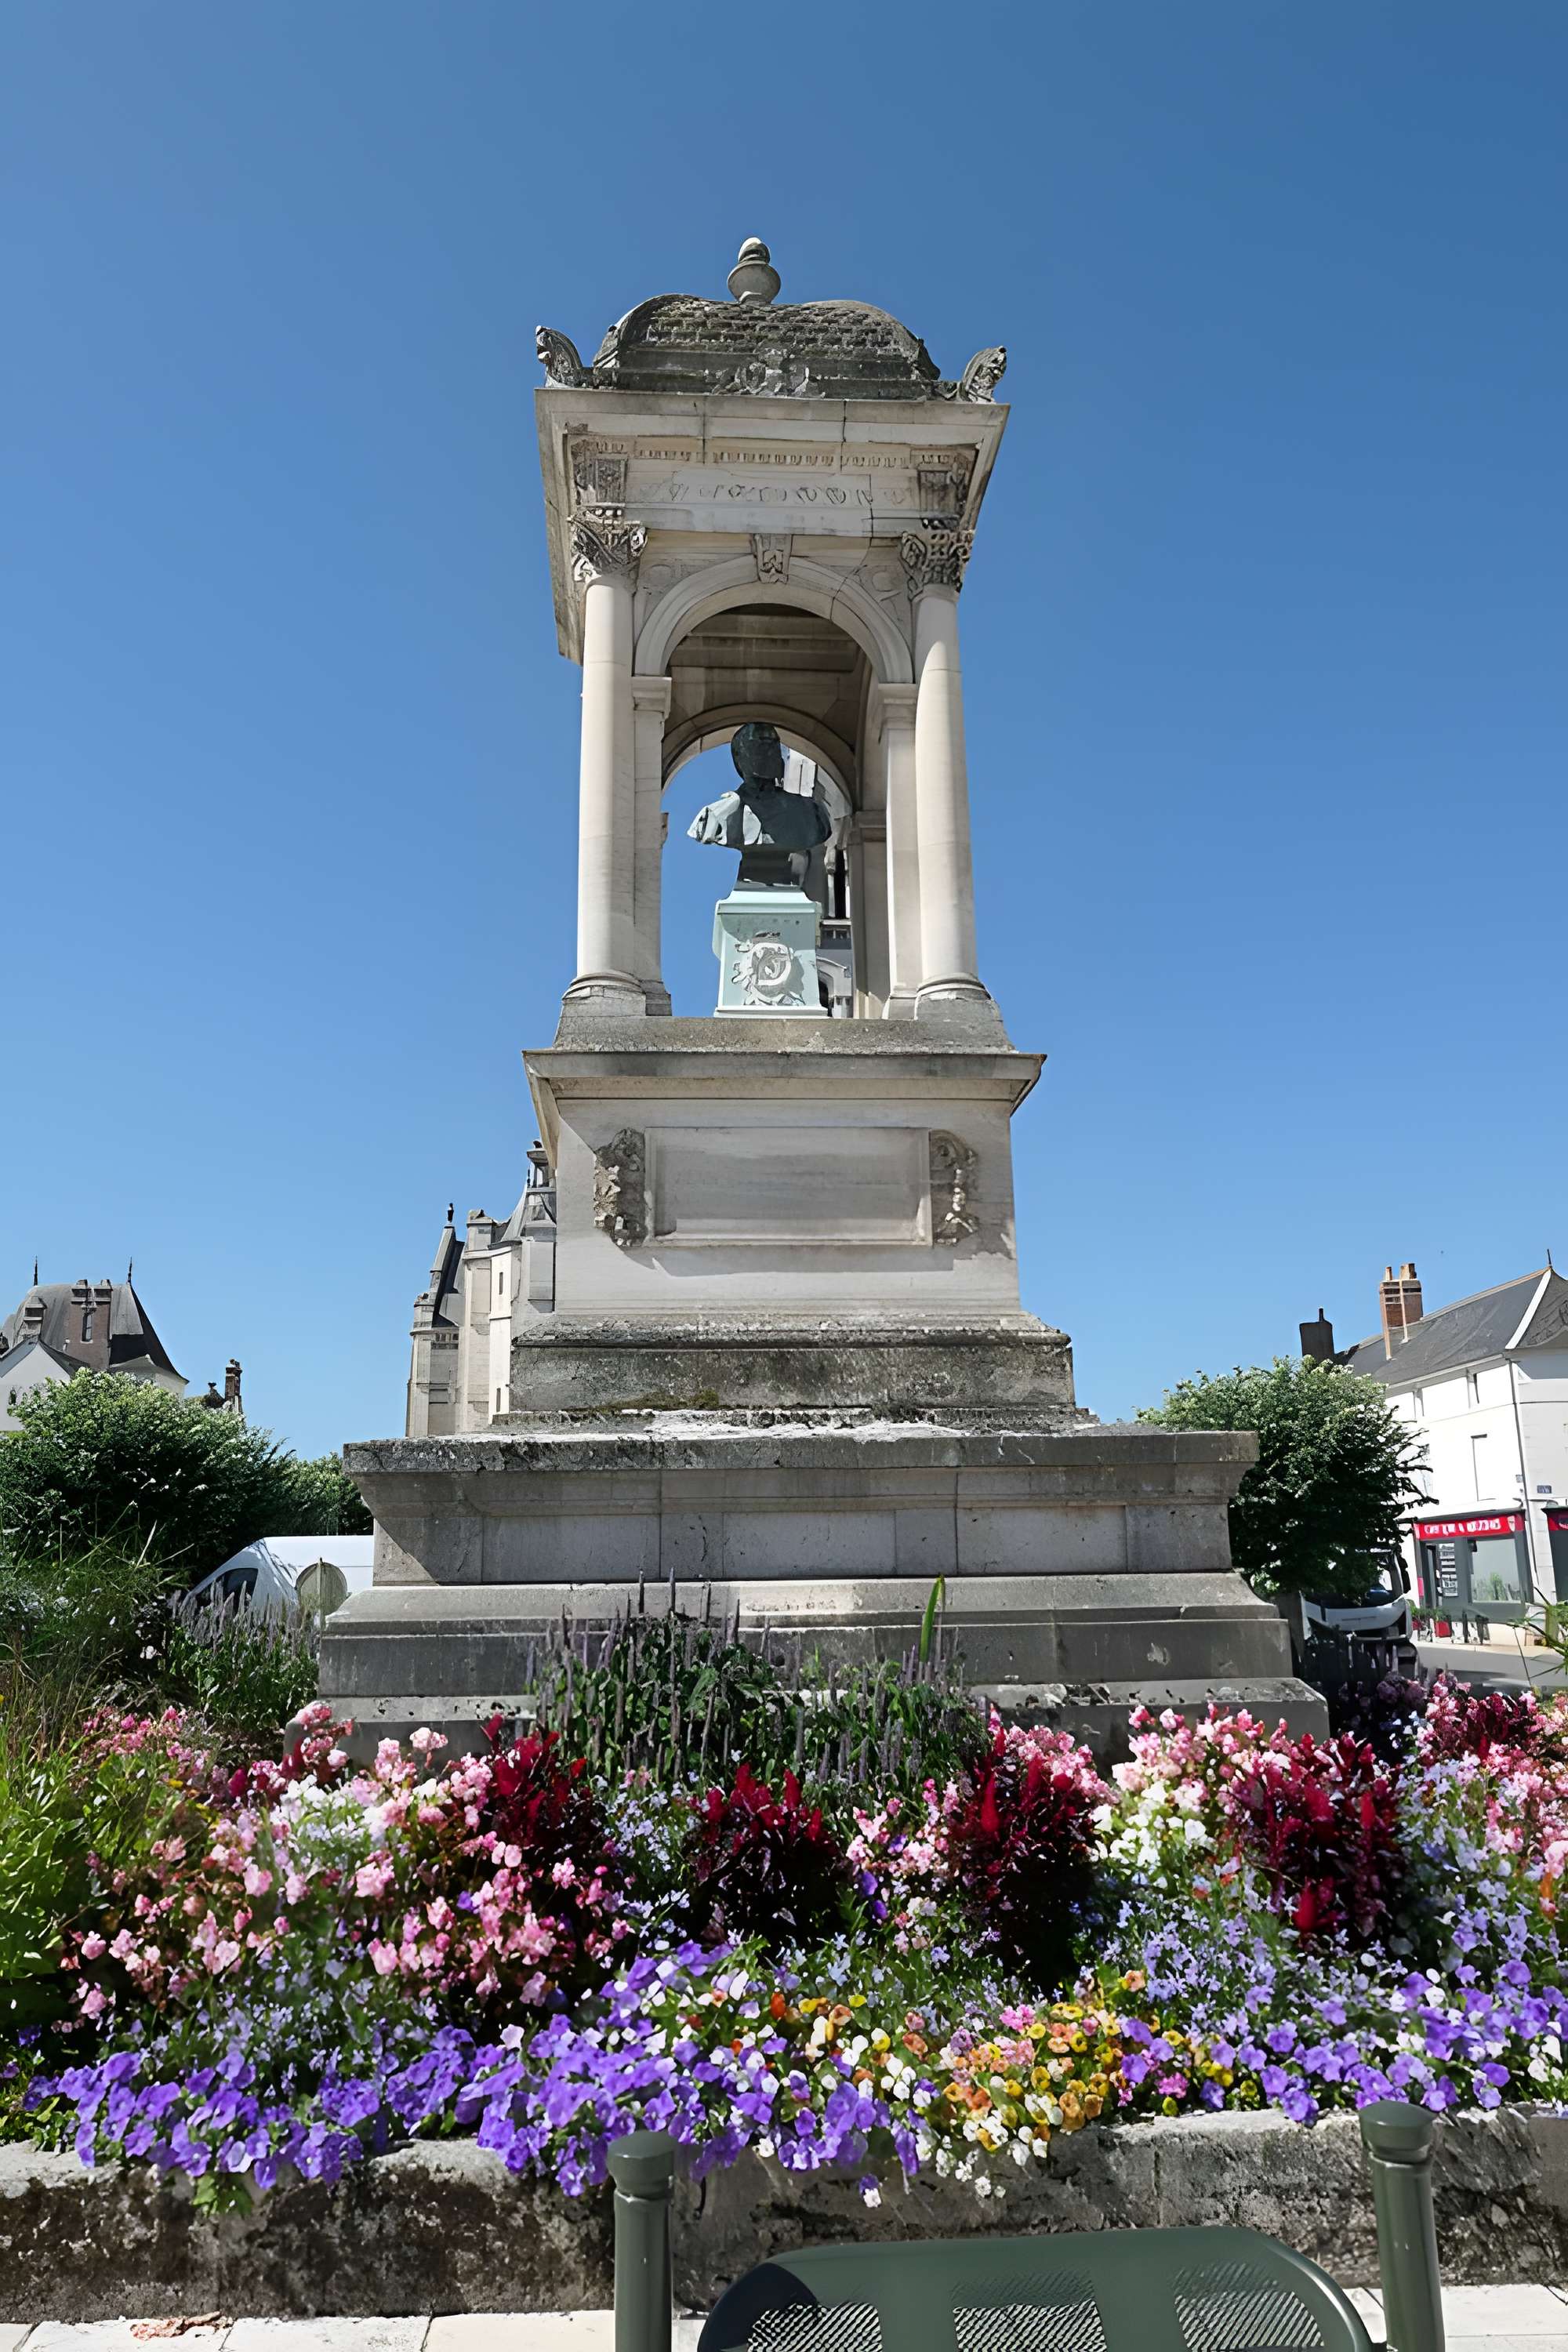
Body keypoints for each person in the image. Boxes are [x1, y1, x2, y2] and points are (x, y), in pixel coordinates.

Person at [687, 721, 831, 887]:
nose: (770, 753)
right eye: (760, 746)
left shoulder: (810, 812)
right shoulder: (714, 815)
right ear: (739, 758)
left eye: (774, 746)